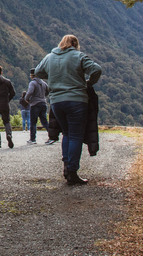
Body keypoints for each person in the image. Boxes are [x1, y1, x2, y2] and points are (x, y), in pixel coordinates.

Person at [34, 34, 102, 186]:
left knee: (66, 134)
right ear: (75, 44)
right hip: (77, 101)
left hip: (56, 102)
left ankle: (66, 168)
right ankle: (72, 171)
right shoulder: (79, 56)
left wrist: (52, 76)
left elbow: (38, 72)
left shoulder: (50, 56)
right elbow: (96, 69)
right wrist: (89, 83)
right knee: (76, 136)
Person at [26, 68, 50, 145]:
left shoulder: (32, 83)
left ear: (31, 75)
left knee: (33, 122)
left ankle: (33, 139)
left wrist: (27, 99)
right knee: (44, 121)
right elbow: (48, 90)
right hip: (43, 103)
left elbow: (30, 92)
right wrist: (44, 96)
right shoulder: (43, 83)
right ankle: (52, 135)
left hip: (35, 104)